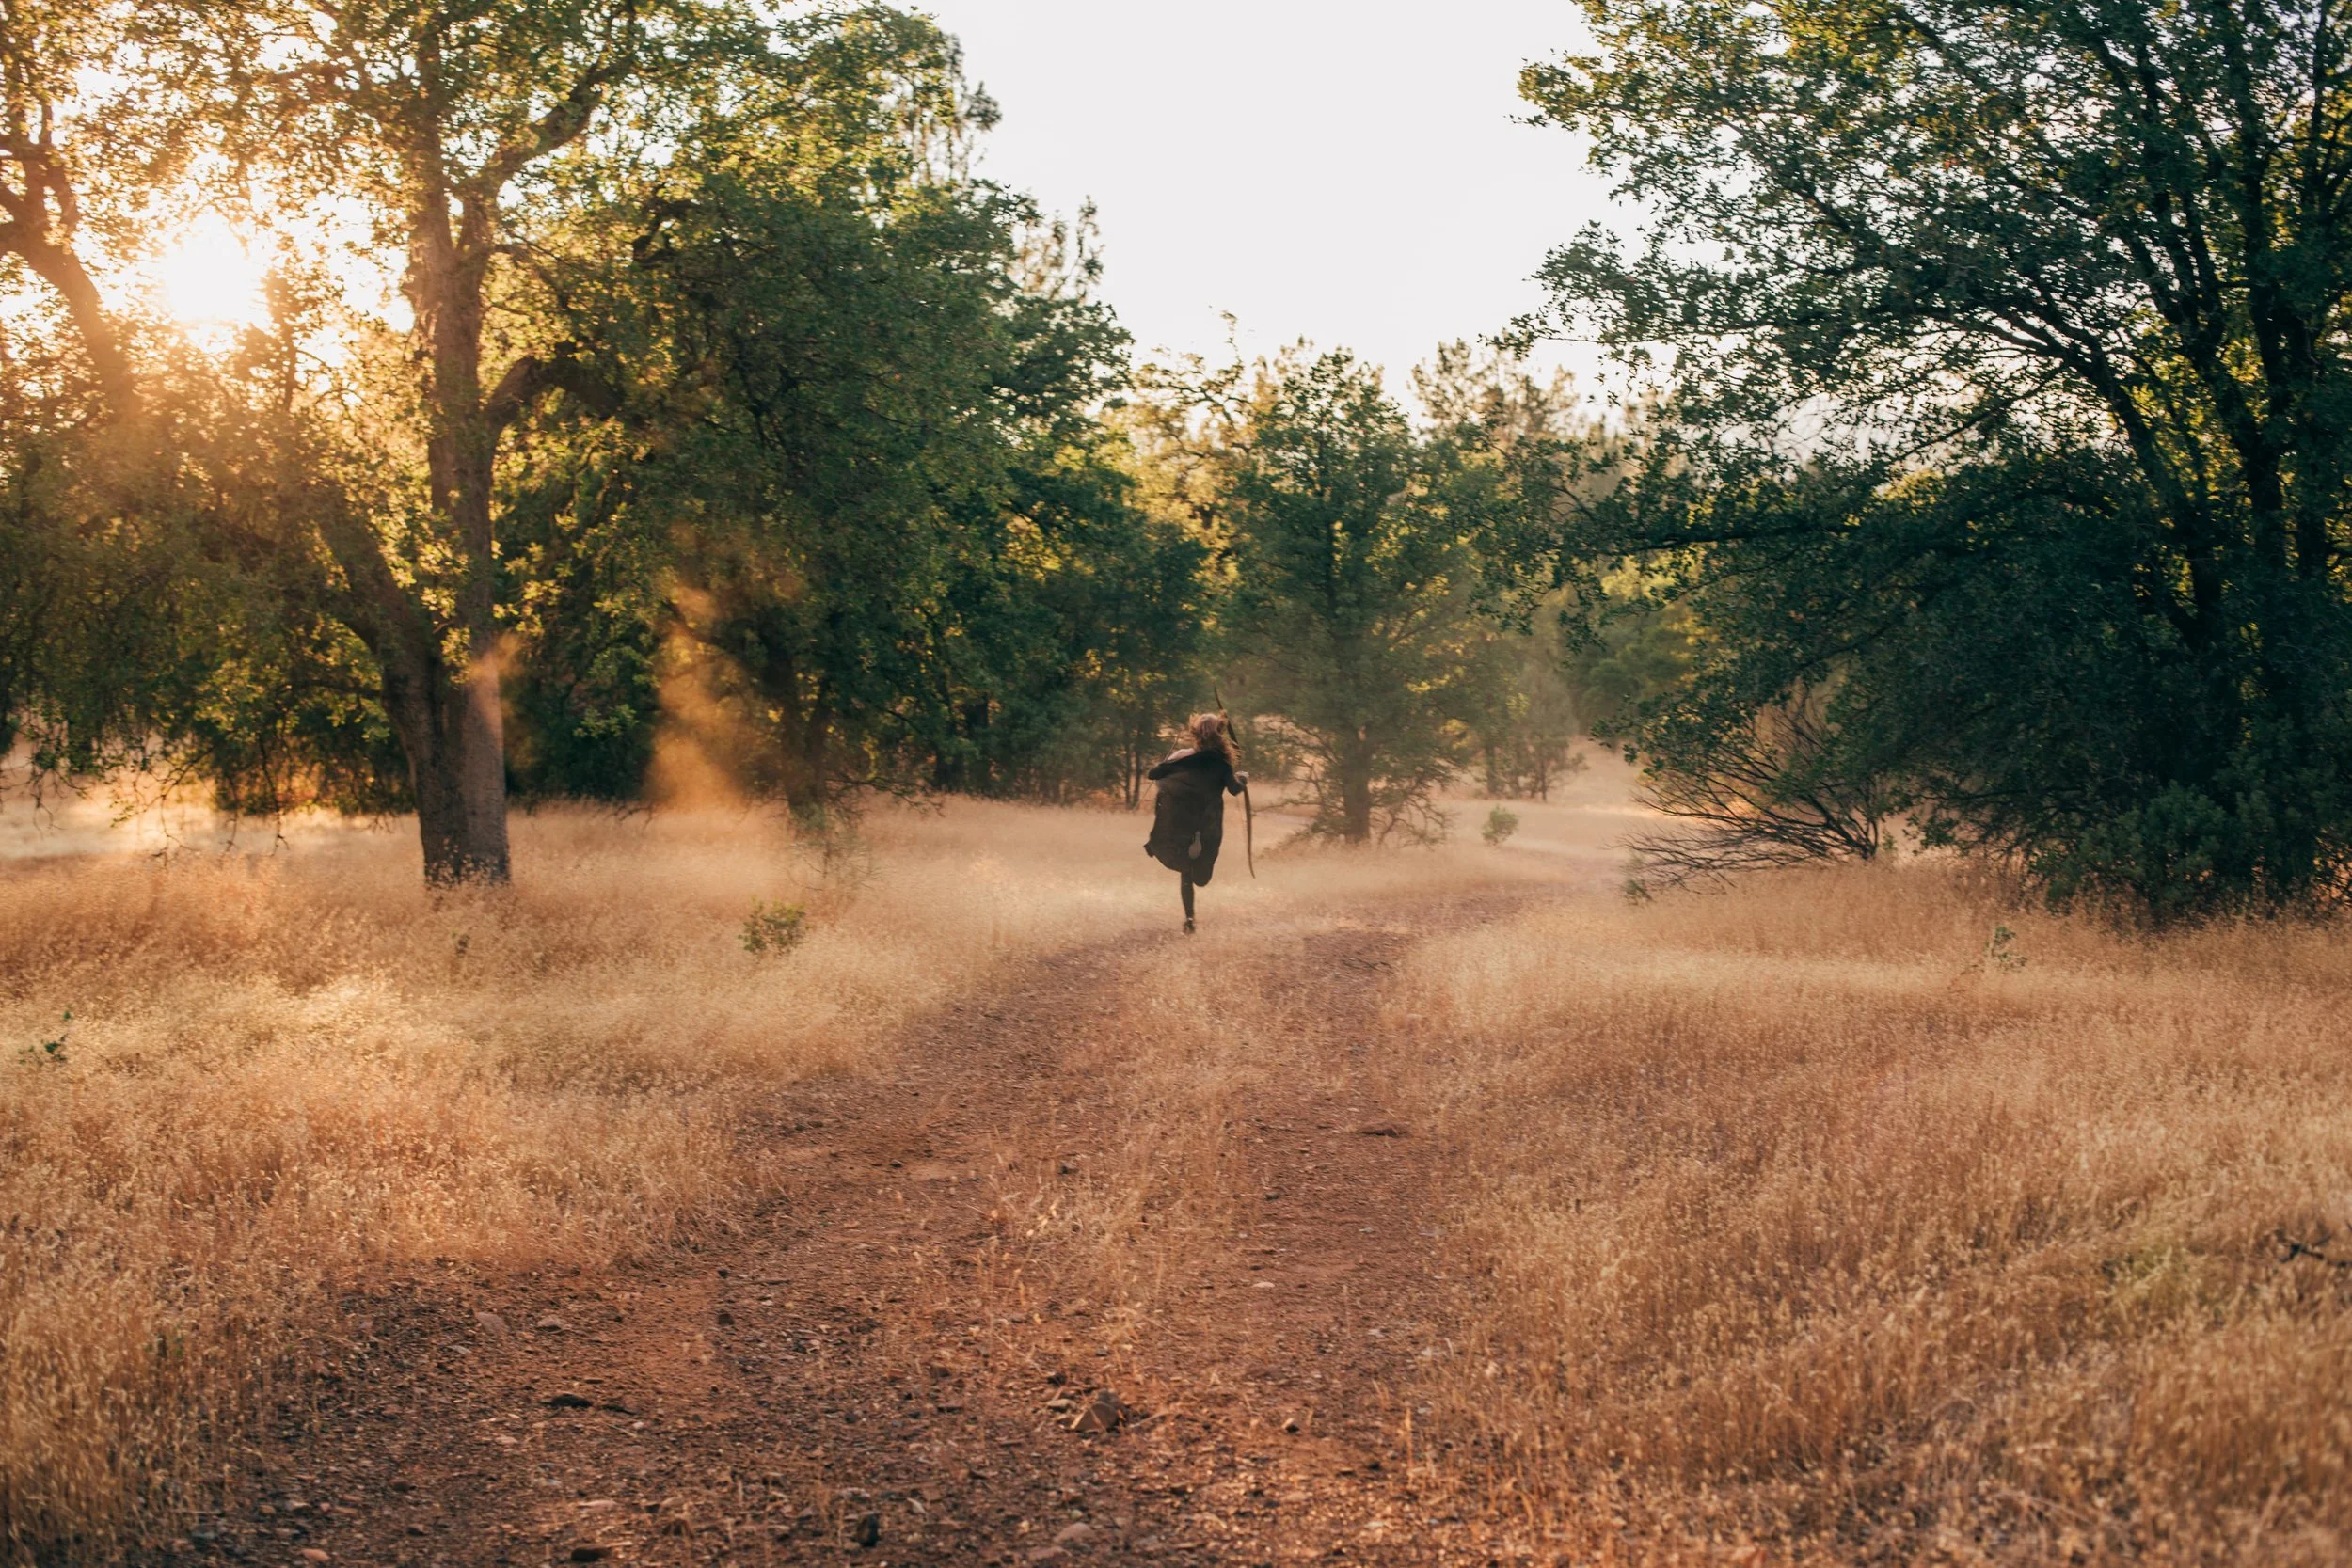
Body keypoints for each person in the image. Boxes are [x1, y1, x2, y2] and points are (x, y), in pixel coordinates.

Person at [1144, 713, 1248, 933]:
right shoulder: (1221, 763)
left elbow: (1153, 774)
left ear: (1195, 733)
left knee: (1187, 872)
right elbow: (1234, 789)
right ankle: (1190, 918)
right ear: (1219, 733)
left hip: (1185, 825)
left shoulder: (1183, 756)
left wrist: (1169, 764)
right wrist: (1243, 779)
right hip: (1208, 825)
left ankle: (1189, 919)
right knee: (1201, 878)